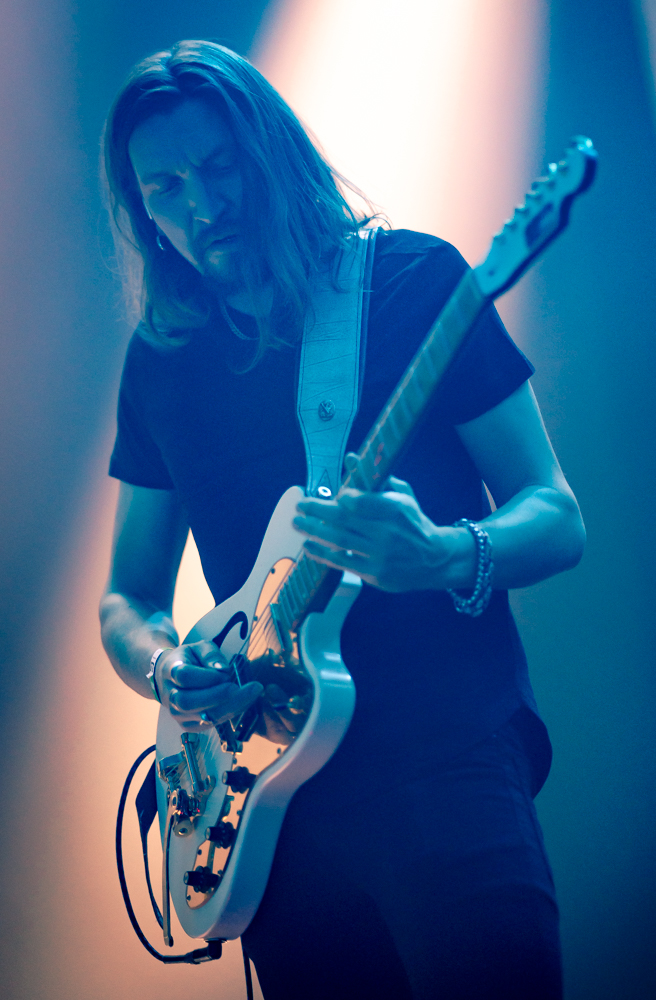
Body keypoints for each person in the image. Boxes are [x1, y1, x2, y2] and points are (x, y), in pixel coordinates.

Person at [99, 40, 584, 1000]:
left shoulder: (413, 283)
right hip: (272, 810)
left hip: (444, 757)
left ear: (272, 152)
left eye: (220, 165)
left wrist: (445, 553)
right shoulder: (161, 359)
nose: (202, 205)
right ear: (141, 208)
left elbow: (556, 515)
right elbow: (127, 597)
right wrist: (166, 668)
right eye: (165, 188)